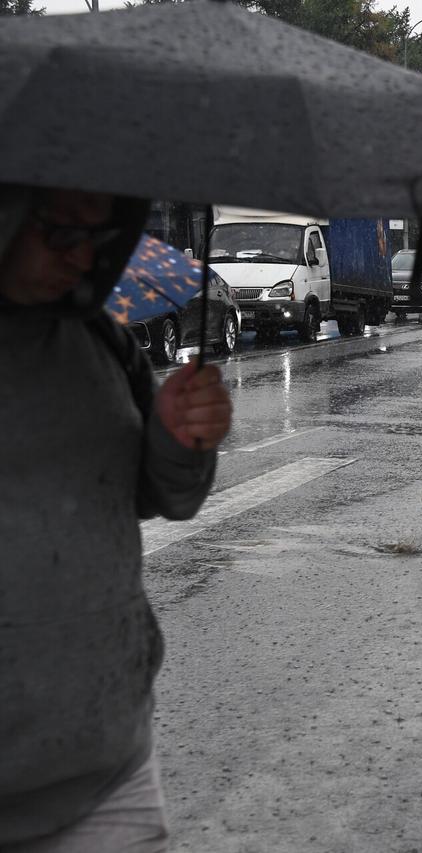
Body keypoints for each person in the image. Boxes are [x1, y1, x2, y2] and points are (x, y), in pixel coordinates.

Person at [0, 186, 232, 850]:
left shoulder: (100, 336)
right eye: (60, 231)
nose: (83, 258)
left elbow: (164, 496)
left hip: (111, 775)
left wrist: (179, 435)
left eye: (101, 237)